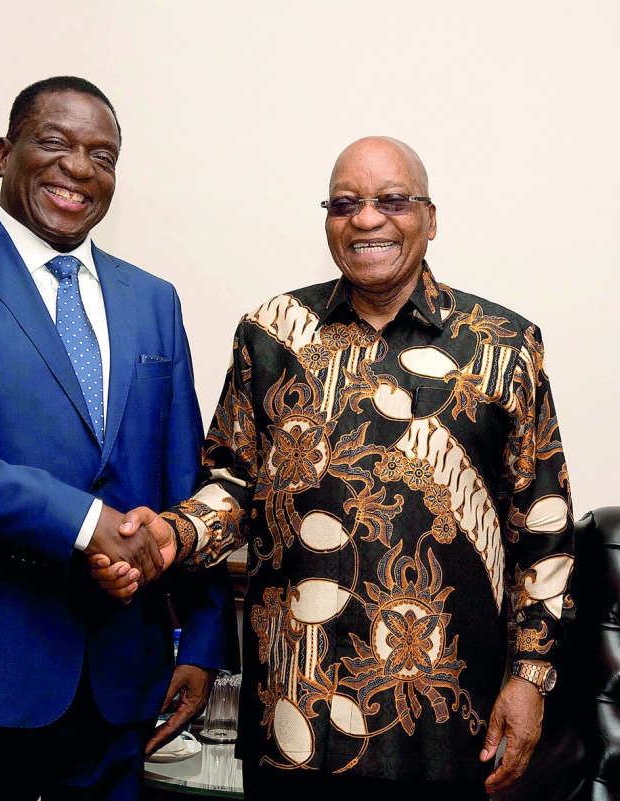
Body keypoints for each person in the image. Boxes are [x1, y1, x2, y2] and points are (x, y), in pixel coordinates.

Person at [100, 136, 574, 800]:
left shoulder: (504, 346)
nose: (368, 218)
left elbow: (544, 528)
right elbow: (232, 482)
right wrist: (171, 535)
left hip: (445, 721)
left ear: (431, 218)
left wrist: (530, 677)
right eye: (345, 203)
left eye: (393, 200)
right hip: (297, 713)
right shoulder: (271, 333)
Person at [0, 76, 235, 800]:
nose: (80, 168)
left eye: (103, 154)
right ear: (3, 153)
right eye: (54, 142)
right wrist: (86, 522)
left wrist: (208, 640)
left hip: (123, 684)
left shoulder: (153, 300)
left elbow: (186, 476)